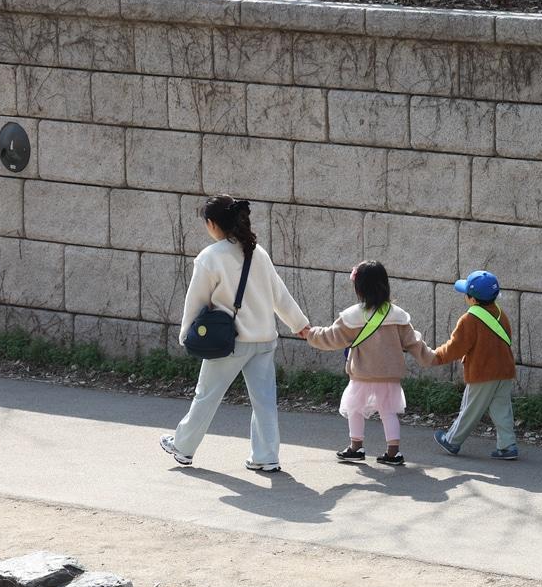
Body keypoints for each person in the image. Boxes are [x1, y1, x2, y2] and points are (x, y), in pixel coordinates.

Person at [160, 195, 309, 473]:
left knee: (207, 395)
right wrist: (299, 323)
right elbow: (279, 294)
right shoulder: (258, 253)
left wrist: (185, 334)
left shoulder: (210, 257)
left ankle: (183, 447)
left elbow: (196, 301)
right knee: (264, 401)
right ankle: (266, 456)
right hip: (264, 339)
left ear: (213, 224)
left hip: (230, 341)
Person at [303, 261, 435, 466]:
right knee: (388, 412)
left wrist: (310, 334)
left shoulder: (352, 316)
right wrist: (432, 357)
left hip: (362, 374)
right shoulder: (398, 316)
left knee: (354, 409)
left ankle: (356, 447)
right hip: (390, 375)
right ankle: (393, 452)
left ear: (359, 288)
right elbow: (415, 344)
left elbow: (331, 337)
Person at [429, 270, 519, 460]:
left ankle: (452, 440)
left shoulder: (469, 319)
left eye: (465, 294)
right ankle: (507, 445)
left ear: (472, 299)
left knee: (470, 408)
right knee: (502, 409)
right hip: (504, 369)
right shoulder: (501, 314)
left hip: (482, 372)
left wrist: (437, 356)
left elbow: (455, 347)